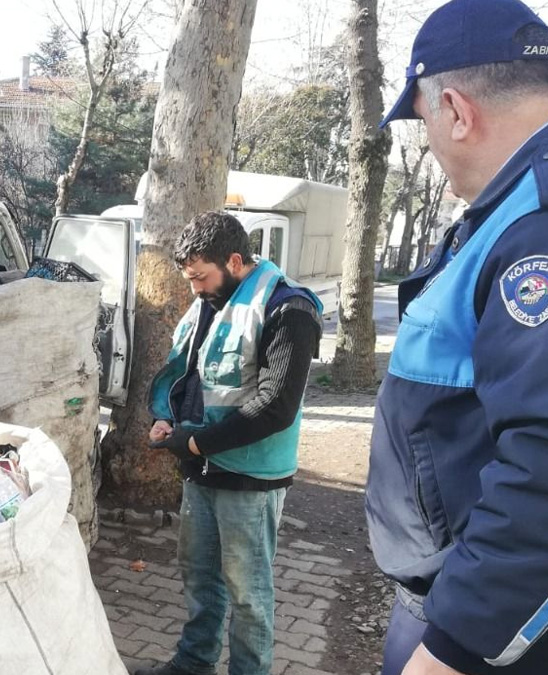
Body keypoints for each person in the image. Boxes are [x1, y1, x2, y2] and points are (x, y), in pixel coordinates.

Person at [370, 1, 548, 673]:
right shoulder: (529, 201)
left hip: (498, 634)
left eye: (425, 120)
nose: (430, 147)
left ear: (458, 112)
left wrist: (452, 647)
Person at [137, 212, 323, 675]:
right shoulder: (211, 299)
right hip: (202, 467)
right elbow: (192, 375)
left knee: (247, 593)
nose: (195, 288)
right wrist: (168, 421)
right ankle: (194, 663)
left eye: (200, 276)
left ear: (235, 260)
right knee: (200, 577)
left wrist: (197, 444)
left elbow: (275, 407)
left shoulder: (288, 309)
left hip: (250, 476)